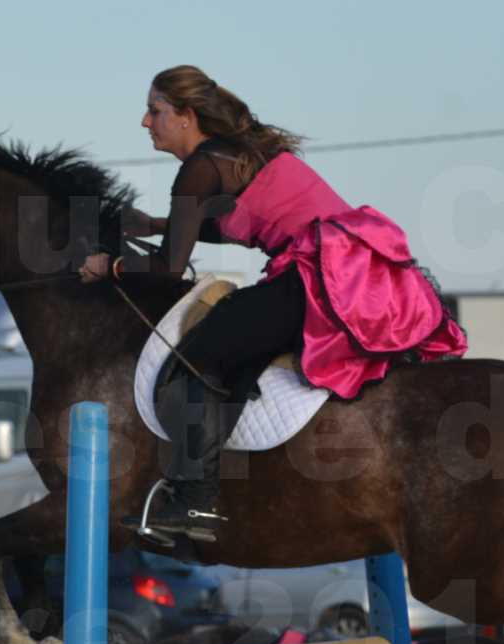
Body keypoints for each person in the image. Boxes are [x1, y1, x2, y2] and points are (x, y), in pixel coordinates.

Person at [81, 65, 467, 541]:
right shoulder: (235, 155)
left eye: (155, 110)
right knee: (233, 337)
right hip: (352, 271)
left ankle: (194, 501)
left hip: (321, 276)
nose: (145, 122)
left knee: (196, 358)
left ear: (185, 116)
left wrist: (110, 267)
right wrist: (161, 224)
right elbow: (237, 228)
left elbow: (168, 271)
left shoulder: (199, 169)